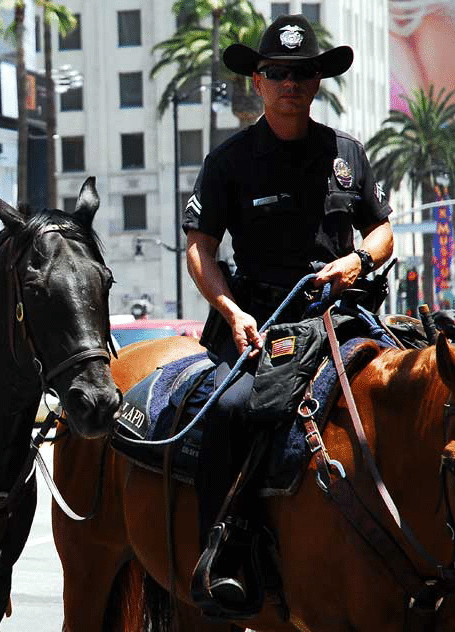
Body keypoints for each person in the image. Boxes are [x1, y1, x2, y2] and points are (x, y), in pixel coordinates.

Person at [183, 14, 394, 606]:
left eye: (301, 74)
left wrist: (356, 261)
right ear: (258, 80)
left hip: (342, 312)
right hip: (261, 319)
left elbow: (382, 232)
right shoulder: (229, 161)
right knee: (231, 408)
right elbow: (200, 248)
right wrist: (229, 310)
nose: (289, 84)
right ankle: (222, 553)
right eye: (277, 73)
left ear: (318, 81)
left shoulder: (347, 153)